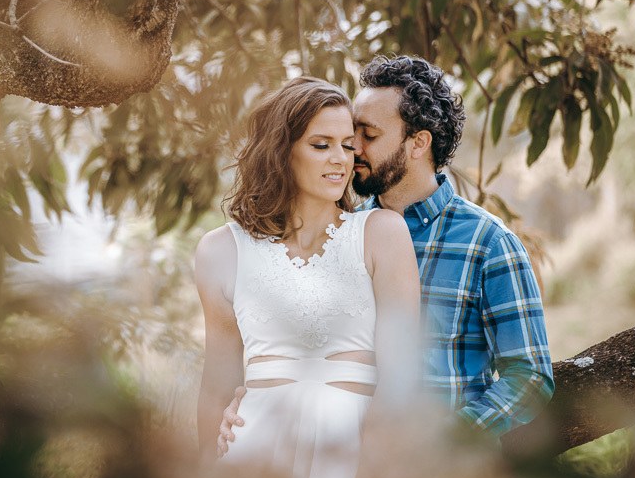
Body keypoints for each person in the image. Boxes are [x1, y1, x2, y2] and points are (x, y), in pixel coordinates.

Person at [217, 55, 555, 457]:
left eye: (369, 135)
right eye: (351, 134)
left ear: (418, 143)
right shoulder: (341, 234)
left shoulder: (488, 243)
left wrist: (448, 441)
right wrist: (246, 406)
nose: (353, 149)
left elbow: (530, 376)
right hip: (333, 462)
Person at [195, 76, 421, 478]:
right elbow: (216, 386)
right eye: (321, 145)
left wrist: (375, 471)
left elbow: (400, 378)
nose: (341, 160)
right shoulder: (220, 250)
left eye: (347, 146)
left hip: (351, 458)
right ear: (281, 152)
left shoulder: (382, 234)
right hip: (252, 455)